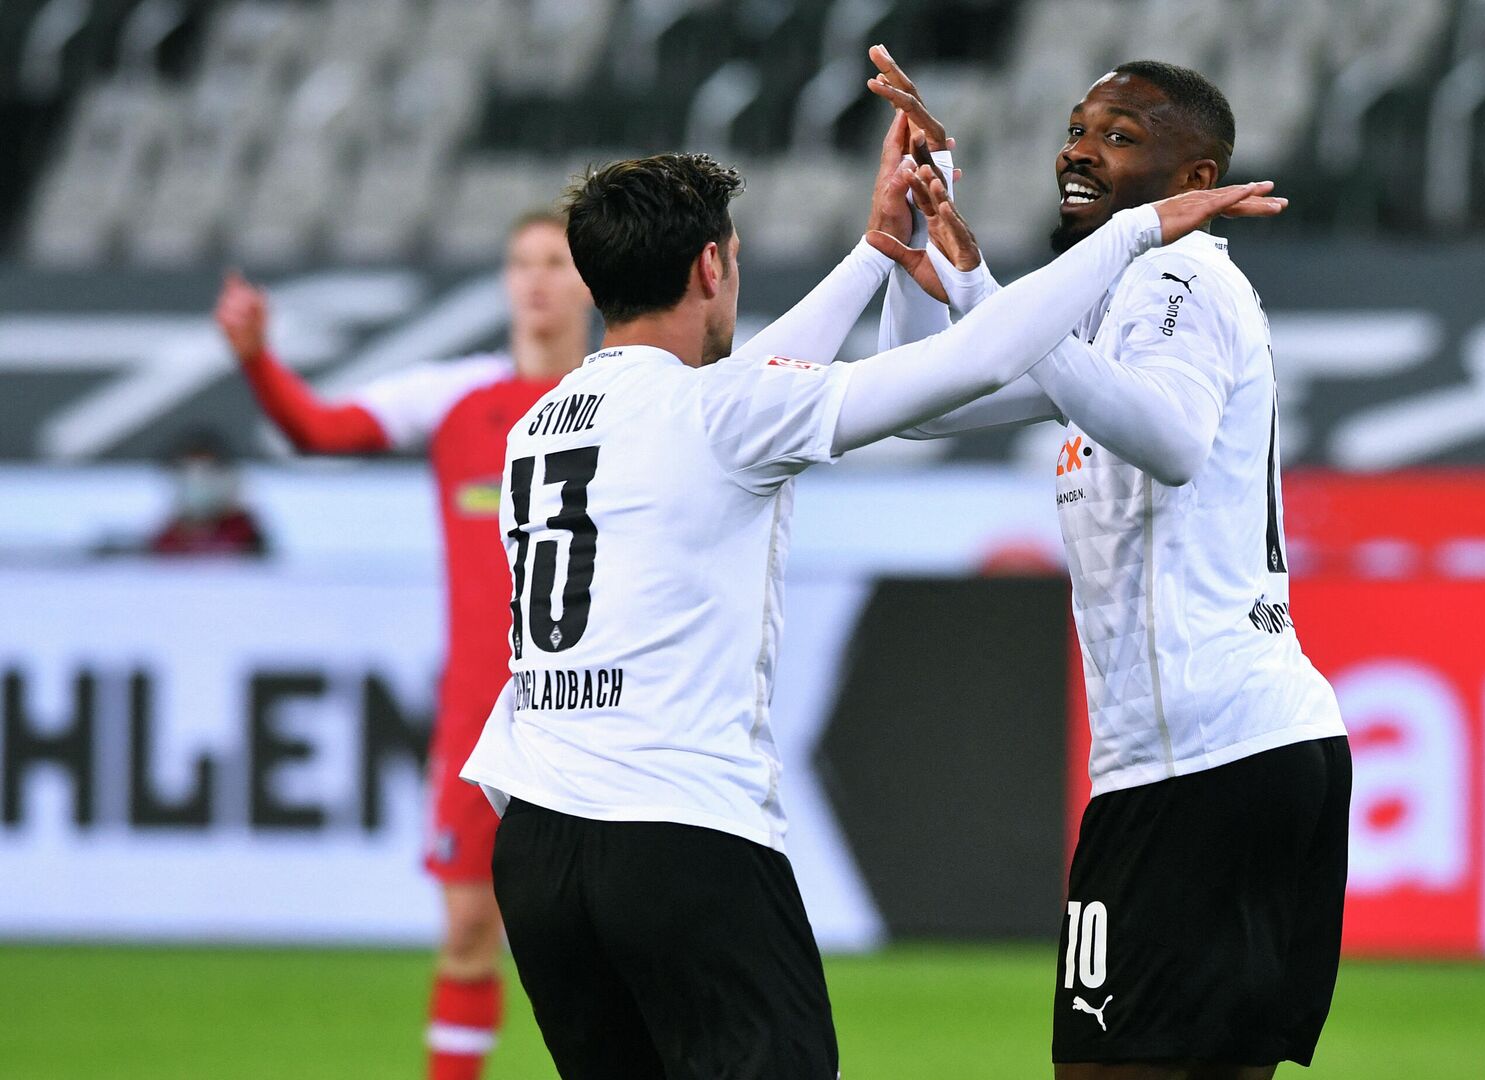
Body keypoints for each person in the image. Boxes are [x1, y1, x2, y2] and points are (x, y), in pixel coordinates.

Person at [458, 146, 1282, 1079]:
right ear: (711, 268)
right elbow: (976, 356)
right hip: (675, 836)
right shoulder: (720, 413)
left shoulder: (540, 427)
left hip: (537, 844)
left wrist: (878, 249)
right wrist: (1139, 228)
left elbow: (758, 375)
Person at [867, 50, 1350, 1078]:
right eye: (1080, 129)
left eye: (1120, 135)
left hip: (1201, 763)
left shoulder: (1180, 275)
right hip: (1243, 752)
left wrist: (990, 294)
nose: (1080, 150)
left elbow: (1170, 439)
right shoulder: (1108, 302)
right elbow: (918, 407)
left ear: (1194, 179)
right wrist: (921, 250)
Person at [211, 210, 595, 1080]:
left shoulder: (632, 396)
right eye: (520, 262)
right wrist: (256, 358)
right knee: (467, 934)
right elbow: (318, 430)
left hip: (597, 707)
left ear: (591, 282)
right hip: (479, 716)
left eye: (556, 262)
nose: (536, 279)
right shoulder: (454, 396)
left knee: (614, 945)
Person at [146, 427, 270, 557]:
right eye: (189, 473)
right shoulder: (167, 540)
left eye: (208, 472)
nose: (198, 482)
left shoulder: (245, 536)